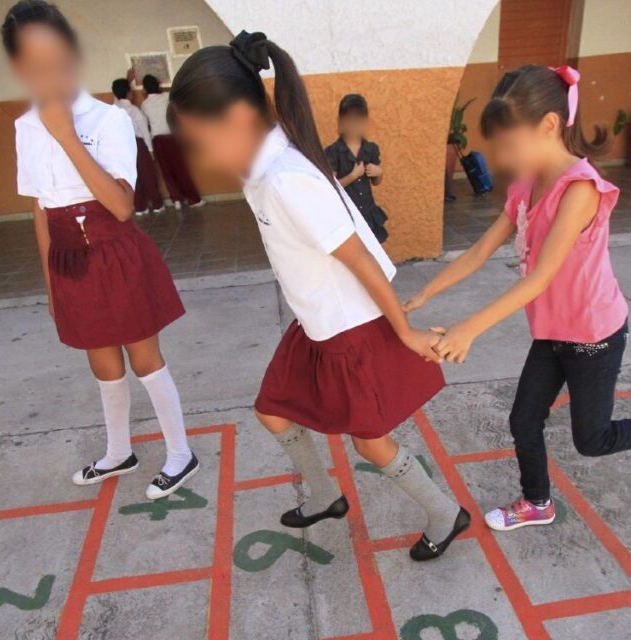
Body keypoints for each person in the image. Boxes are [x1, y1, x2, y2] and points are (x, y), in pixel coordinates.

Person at [168, 31, 469, 560]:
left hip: (350, 330)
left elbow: (360, 257)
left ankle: (446, 514)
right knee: (273, 410)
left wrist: (405, 331)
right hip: (315, 326)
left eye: (200, 137)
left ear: (237, 121)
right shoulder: (264, 163)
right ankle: (327, 495)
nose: (199, 153)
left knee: (370, 442)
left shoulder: (285, 180)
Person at [404, 65, 631, 532]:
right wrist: (422, 295)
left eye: (509, 144)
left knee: (592, 439)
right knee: (523, 419)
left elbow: (539, 278)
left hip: (593, 333)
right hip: (554, 330)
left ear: (549, 126)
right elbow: (481, 249)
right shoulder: (526, 184)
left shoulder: (580, 189)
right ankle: (537, 502)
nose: (502, 157)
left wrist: (468, 329)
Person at [4, 0, 197, 499]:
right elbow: (40, 210)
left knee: (143, 357)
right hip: (68, 259)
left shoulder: (107, 120)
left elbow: (120, 205)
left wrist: (67, 137)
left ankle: (180, 453)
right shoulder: (25, 127)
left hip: (115, 251)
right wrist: (51, 284)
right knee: (102, 364)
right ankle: (119, 453)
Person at [325, 94, 388, 243]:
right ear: (341, 122)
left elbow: (376, 182)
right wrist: (353, 176)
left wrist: (379, 172)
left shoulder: (371, 149)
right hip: (346, 214)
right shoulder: (333, 152)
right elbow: (331, 187)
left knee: (372, 250)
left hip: (367, 212)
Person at [140, 73, 205, 209]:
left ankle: (176, 200)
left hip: (157, 141)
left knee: (166, 172)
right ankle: (193, 199)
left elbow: (146, 124)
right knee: (181, 169)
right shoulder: (166, 97)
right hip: (171, 137)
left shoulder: (144, 104)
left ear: (144, 89)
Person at [112, 77, 164, 214]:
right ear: (129, 93)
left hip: (121, 147)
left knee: (132, 178)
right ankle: (157, 205)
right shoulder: (134, 110)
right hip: (137, 144)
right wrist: (150, 149)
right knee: (148, 175)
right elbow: (144, 131)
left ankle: (140, 207)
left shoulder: (112, 110)